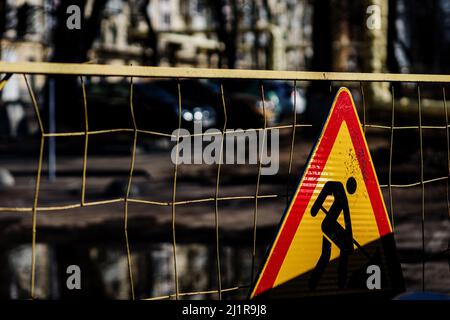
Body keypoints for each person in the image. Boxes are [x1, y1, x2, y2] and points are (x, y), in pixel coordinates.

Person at [308, 177, 356, 290]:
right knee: (328, 254)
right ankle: (315, 283)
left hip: (329, 225)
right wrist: (315, 209)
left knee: (330, 253)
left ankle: (337, 283)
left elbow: (346, 215)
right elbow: (346, 216)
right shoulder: (337, 187)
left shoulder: (340, 192)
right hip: (327, 226)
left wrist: (349, 236)